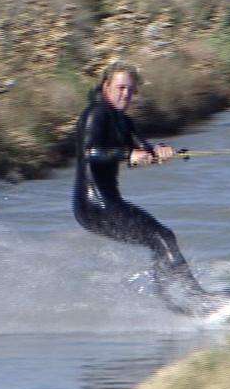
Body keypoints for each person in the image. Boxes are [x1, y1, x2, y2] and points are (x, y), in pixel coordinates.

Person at [72, 62, 209, 316]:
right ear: (106, 87)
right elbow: (90, 153)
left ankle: (175, 303)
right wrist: (128, 154)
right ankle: (198, 299)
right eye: (120, 88)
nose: (126, 94)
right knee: (161, 238)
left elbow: (143, 151)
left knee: (161, 237)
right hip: (92, 206)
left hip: (108, 202)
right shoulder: (95, 114)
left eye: (131, 90)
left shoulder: (124, 121)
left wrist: (162, 151)